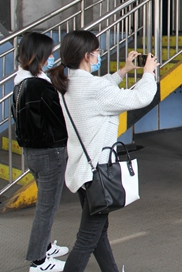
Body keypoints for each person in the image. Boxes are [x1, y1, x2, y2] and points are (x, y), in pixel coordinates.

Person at [49, 30, 158, 272]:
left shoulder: (68, 83)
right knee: (88, 237)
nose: (99, 55)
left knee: (98, 230)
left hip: (82, 169)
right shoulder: (93, 87)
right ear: (86, 55)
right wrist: (148, 74)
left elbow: (100, 89)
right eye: (97, 51)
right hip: (98, 172)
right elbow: (139, 98)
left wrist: (124, 70)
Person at [12, 32, 70, 272]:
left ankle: (45, 247)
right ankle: (39, 261)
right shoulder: (39, 86)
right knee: (47, 207)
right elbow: (59, 119)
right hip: (49, 153)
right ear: (39, 55)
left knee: (45, 205)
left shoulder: (21, 82)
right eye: (49, 54)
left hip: (32, 152)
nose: (52, 57)